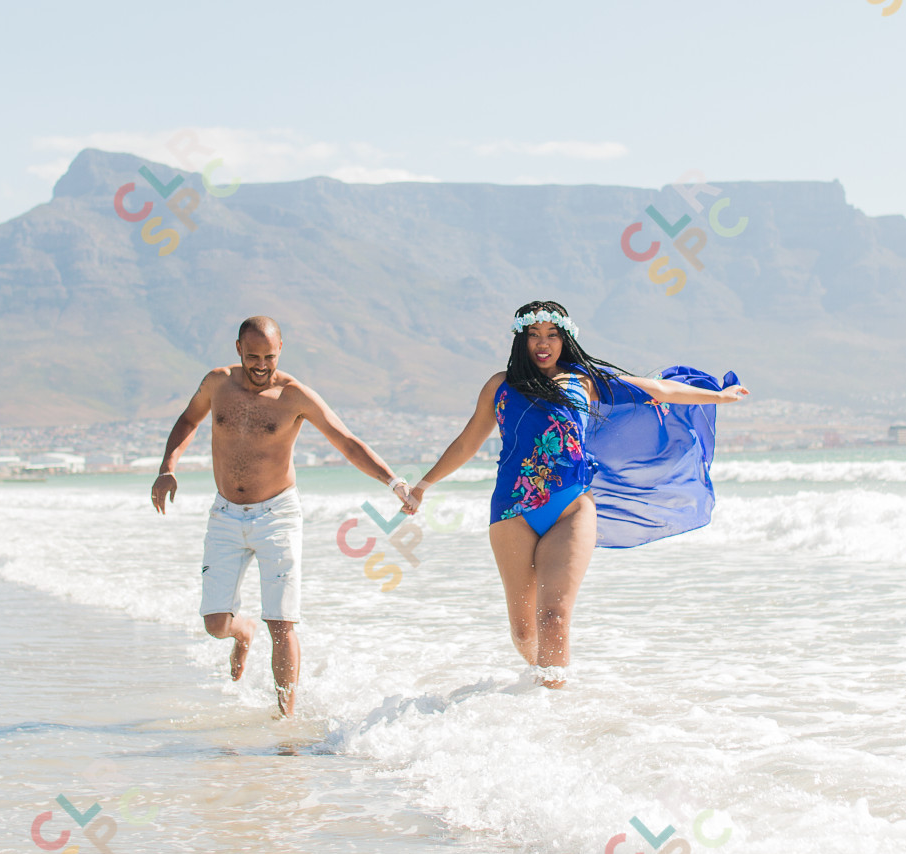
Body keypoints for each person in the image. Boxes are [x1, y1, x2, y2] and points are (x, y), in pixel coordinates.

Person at [401, 300, 745, 688]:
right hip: (513, 512)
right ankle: (537, 683)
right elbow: (467, 442)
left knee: (554, 618)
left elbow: (658, 390)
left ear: (565, 339)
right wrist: (423, 486)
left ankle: (553, 709)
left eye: (552, 335)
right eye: (534, 335)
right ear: (521, 339)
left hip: (572, 507)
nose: (543, 344)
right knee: (524, 631)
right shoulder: (500, 386)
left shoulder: (583, 381)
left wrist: (721, 397)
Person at [151, 315, 411, 717]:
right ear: (238, 348)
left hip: (278, 515)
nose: (260, 365)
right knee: (215, 625)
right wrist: (168, 466)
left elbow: (346, 440)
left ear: (281, 350)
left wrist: (394, 483)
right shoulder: (217, 383)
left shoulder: (295, 396)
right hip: (225, 515)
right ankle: (242, 631)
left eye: (268, 357)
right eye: (252, 355)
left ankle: (285, 720)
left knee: (282, 622)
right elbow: (188, 419)